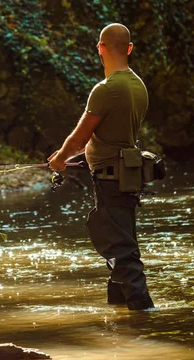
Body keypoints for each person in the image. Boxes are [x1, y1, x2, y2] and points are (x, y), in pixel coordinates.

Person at [48, 23, 154, 311]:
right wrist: (79, 157)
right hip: (126, 177)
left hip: (110, 180)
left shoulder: (106, 89)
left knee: (121, 250)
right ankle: (121, 314)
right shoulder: (138, 85)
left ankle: (145, 313)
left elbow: (81, 136)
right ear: (129, 48)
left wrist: (59, 159)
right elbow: (113, 136)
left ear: (100, 47)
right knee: (120, 244)